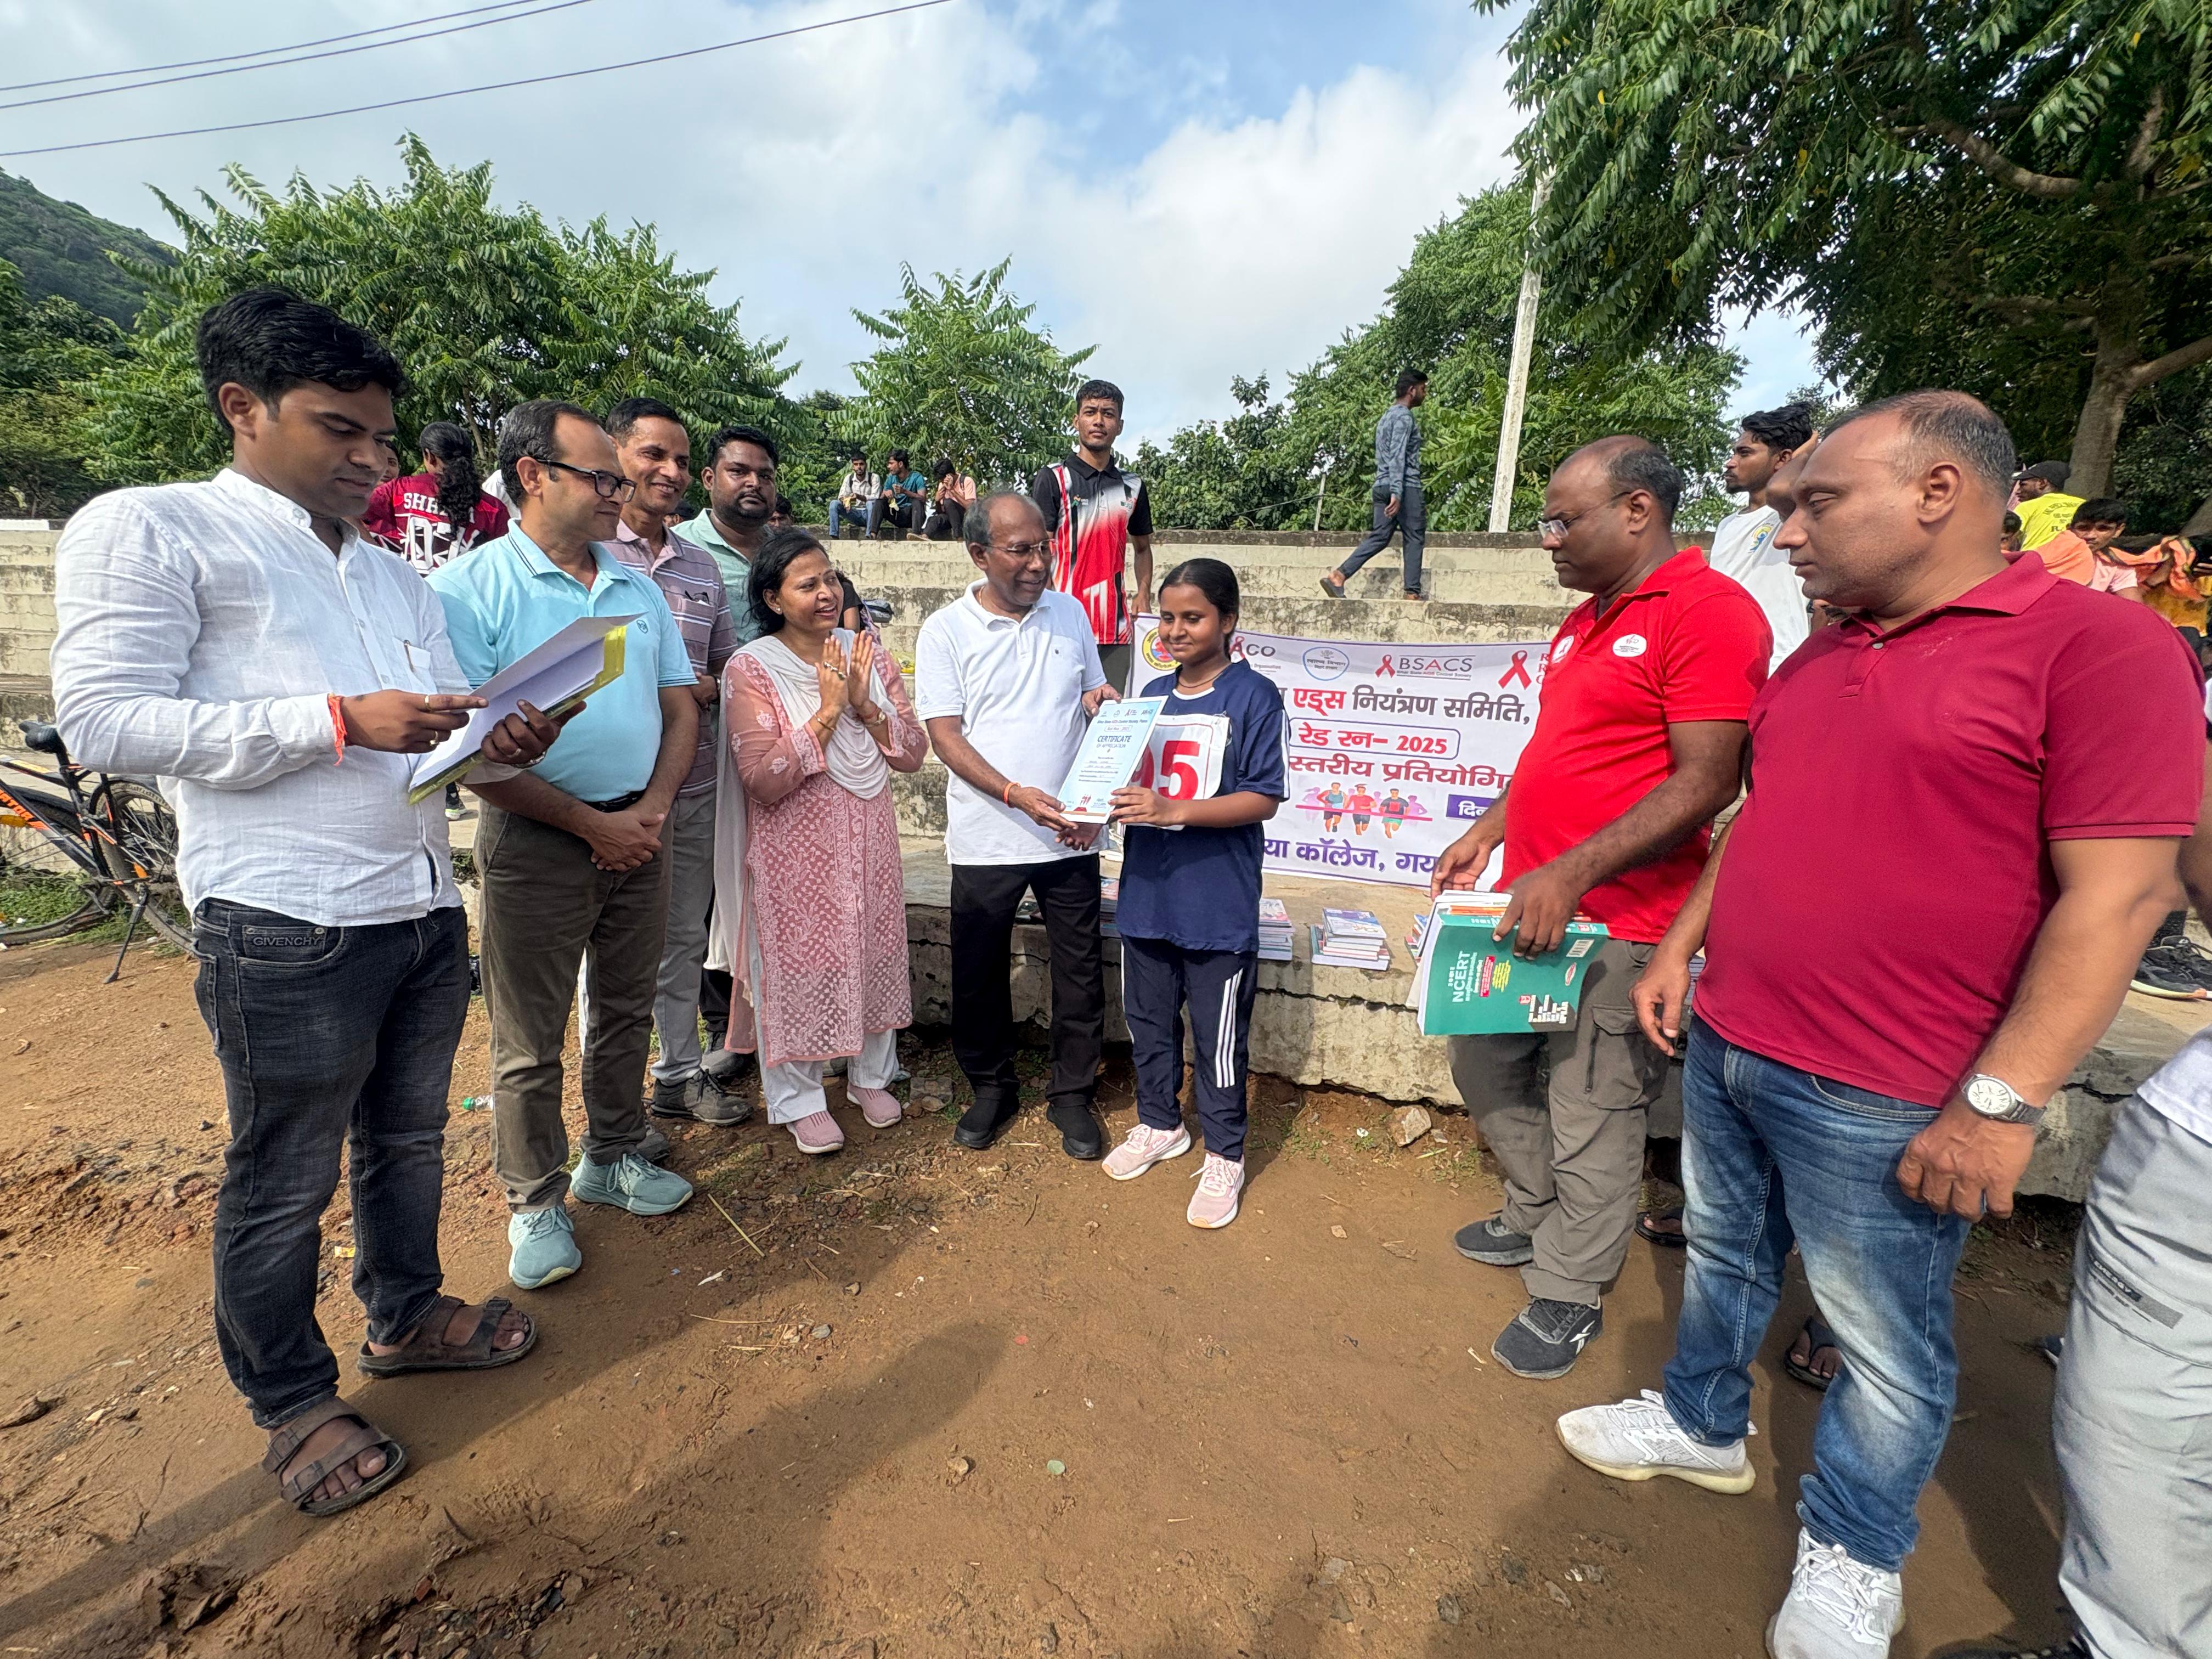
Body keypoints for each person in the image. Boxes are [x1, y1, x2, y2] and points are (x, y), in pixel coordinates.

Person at [1561, 391, 2202, 1659]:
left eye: (1817, 504)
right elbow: (1760, 817)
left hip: (1896, 1086)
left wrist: (2001, 1103)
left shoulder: (2097, 648)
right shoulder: (1821, 654)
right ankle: (1701, 1422)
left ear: (1937, 493)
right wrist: (1685, 946)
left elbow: (2124, 896)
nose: (1786, 531)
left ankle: (1857, 1551)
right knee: (1724, 1257)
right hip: (1736, 1039)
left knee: (1884, 1342)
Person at [49, 288, 561, 1516]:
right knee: (284, 1174)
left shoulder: (393, 577)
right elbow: (104, 720)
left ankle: (404, 1312)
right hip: (286, 917)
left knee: (407, 1137)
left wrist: (497, 733)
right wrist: (332, 720)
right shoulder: (153, 528)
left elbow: (434, 733)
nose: (373, 461)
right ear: (244, 407)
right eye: (341, 430)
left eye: (381, 437)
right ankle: (289, 1399)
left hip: (417, 899)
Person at [1429, 437, 1770, 1380]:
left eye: (1561, 520)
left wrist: (1572, 873)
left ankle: (1570, 1288)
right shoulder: (1585, 621)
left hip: (1622, 923)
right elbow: (1559, 754)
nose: (1548, 539)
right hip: (1535, 901)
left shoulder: (1707, 612)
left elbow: (1708, 780)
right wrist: (1491, 830)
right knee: (1482, 1061)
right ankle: (1534, 1206)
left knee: (1594, 1106)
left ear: (1636, 510)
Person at [429, 400, 702, 1291]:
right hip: (539, 842)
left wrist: (650, 811)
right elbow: (471, 754)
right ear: (532, 475)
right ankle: (536, 1198)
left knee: (625, 1009)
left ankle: (612, 1153)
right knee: (529, 1035)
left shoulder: (635, 587)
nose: (620, 492)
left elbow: (679, 707)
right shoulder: (470, 590)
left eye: (619, 479)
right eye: (602, 477)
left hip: (641, 831)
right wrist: (593, 826)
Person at [916, 490, 1116, 1158]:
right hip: (988, 835)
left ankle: (1072, 1095)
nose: (1039, 563)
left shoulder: (1071, 612)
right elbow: (945, 736)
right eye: (1020, 550)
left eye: (1045, 547)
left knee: (1080, 970)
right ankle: (991, 1088)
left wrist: (1100, 701)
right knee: (978, 971)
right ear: (979, 554)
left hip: (1069, 833)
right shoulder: (946, 630)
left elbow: (1087, 695)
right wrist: (1012, 794)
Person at [719, 528, 928, 1153]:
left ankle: (871, 1075)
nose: (826, 593)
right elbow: (762, 778)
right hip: (794, 847)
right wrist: (829, 711)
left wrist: (865, 705)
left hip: (869, 838)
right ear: (773, 599)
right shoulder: (752, 668)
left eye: (830, 579)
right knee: (798, 960)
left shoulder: (867, 653)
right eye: (807, 584)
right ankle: (799, 1097)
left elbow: (912, 753)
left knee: (874, 944)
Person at [1101, 558, 1286, 1228]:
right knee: (1148, 1024)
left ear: (1228, 620)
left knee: (1218, 1039)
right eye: (1168, 618)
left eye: (1194, 618)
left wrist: (1173, 809)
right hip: (1147, 894)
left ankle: (1226, 1152)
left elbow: (1263, 797)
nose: (1177, 631)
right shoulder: (1149, 694)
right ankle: (1160, 1123)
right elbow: (1124, 786)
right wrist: (1102, 754)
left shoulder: (1254, 696)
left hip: (1216, 903)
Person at [600, 398, 747, 1128]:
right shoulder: (591, 554)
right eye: (654, 454)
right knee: (608, 950)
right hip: (607, 792)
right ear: (614, 457)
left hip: (692, 782)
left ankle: (678, 1075)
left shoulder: (701, 566)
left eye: (682, 460)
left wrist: (703, 685)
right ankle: (610, 1106)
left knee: (684, 936)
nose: (671, 471)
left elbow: (725, 667)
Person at [1034, 379, 1154, 691]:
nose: (1099, 421)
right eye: (1090, 412)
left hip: (1116, 628)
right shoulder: (1054, 478)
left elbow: (1143, 548)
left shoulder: (1133, 486)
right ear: (1076, 421)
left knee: (1111, 714)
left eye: (1108, 414)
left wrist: (1143, 594)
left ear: (1120, 426)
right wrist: (1048, 602)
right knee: (1061, 711)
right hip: (1062, 624)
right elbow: (1040, 547)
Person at [1706, 400, 1815, 669]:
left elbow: (1780, 490)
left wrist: (1811, 444)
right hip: (1725, 661)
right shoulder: (1727, 525)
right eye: (1734, 452)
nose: (1730, 463)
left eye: (1744, 453)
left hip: (1777, 663)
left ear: (1784, 459)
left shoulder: (1791, 513)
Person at [1322, 368, 1430, 601]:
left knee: (1381, 536)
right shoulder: (1404, 417)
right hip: (1403, 486)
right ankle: (1412, 593)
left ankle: (1339, 576)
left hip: (1381, 484)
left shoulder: (1385, 418)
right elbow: (1398, 455)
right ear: (1412, 391)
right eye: (1423, 389)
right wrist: (1397, 492)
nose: (1425, 394)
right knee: (1414, 536)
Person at [359, 420, 509, 574]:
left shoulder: (400, 490)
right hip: (465, 589)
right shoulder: (493, 509)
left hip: (410, 587)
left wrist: (377, 555)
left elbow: (349, 512)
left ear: (429, 456)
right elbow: (504, 562)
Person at [684, 425, 780, 631]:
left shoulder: (788, 553)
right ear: (709, 479)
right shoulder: (675, 547)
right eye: (738, 472)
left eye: (765, 476)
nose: (754, 483)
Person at [2035, 498, 2142, 596]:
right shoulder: (2045, 555)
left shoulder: (2117, 565)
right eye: (2083, 528)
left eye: (2103, 529)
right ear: (2070, 529)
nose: (2091, 536)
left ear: (2118, 530)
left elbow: (2134, 607)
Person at [2013, 459, 2084, 548]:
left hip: (2036, 556)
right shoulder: (2084, 505)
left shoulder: (2027, 507)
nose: (2017, 491)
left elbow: (2006, 537)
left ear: (2042, 483)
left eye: (2023, 485)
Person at [868, 449, 928, 539]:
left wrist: (905, 492)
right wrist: (886, 494)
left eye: (891, 463)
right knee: (879, 502)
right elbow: (881, 501)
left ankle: (916, 534)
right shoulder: (891, 478)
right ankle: (873, 535)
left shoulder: (917, 477)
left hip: (912, 516)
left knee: (917, 502)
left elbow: (923, 499)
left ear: (900, 464)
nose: (889, 467)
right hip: (896, 514)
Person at [924, 457, 977, 541]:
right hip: (951, 518)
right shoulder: (942, 485)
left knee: (948, 502)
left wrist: (952, 490)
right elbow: (941, 512)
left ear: (950, 475)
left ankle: (959, 535)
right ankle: (925, 536)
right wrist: (937, 501)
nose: (942, 482)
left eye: (943, 479)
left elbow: (971, 507)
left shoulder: (967, 481)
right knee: (934, 520)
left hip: (965, 517)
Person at [828, 453, 877, 542]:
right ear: (853, 467)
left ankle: (869, 535)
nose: (859, 467)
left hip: (870, 514)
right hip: (855, 513)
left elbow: (876, 499)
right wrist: (847, 501)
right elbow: (841, 497)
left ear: (866, 465)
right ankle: (834, 535)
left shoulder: (874, 478)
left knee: (870, 504)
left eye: (861, 464)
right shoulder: (849, 478)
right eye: (856, 465)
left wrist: (857, 496)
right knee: (834, 504)